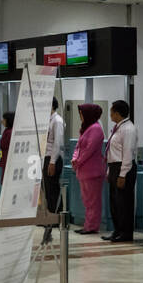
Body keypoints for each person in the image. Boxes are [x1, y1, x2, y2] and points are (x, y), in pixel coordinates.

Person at [103, 100, 138, 242]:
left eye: (111, 111)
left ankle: (126, 233)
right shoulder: (117, 127)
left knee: (124, 202)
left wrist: (122, 174)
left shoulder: (128, 129)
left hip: (124, 168)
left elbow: (128, 153)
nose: (110, 114)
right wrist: (109, 171)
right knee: (115, 202)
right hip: (114, 167)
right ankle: (117, 230)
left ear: (117, 113)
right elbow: (113, 151)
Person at [70, 103, 106, 235]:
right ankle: (88, 224)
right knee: (87, 201)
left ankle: (92, 226)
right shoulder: (86, 128)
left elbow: (88, 150)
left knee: (93, 201)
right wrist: (74, 159)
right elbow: (78, 147)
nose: (80, 116)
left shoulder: (96, 129)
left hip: (92, 171)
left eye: (81, 113)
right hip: (84, 171)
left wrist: (78, 161)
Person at [41, 98, 65, 243]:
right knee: (47, 190)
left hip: (53, 158)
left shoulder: (57, 121)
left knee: (53, 189)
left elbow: (57, 142)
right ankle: (51, 217)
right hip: (46, 157)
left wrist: (53, 162)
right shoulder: (48, 120)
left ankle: (56, 218)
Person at [0, 111, 14, 188]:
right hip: (5, 159)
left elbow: (4, 145)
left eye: (4, 119)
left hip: (8, 160)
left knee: (6, 182)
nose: (2, 121)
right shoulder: (7, 131)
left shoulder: (9, 132)